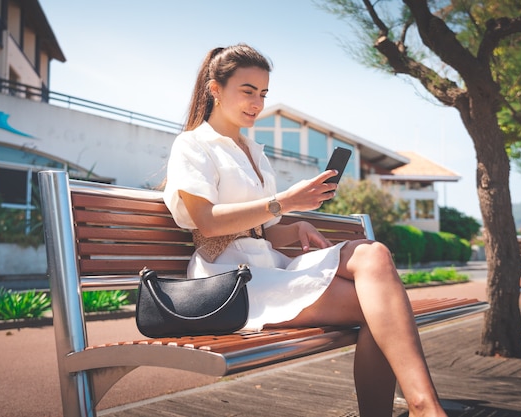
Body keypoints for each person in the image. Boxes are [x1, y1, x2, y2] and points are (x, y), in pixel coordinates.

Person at [163, 43, 447, 417]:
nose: (257, 103)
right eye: (247, 91)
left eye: (263, 94)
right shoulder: (193, 145)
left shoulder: (253, 151)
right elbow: (208, 221)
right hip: (227, 279)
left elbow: (262, 229)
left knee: (372, 253)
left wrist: (296, 226)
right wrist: (284, 203)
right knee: (380, 312)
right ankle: (424, 407)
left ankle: (425, 405)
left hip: (268, 264)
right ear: (215, 88)